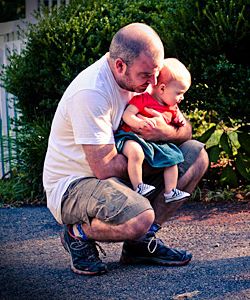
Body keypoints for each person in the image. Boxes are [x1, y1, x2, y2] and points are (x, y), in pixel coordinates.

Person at [42, 23, 209, 276]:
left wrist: (167, 134)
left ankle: (139, 245)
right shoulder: (92, 92)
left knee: (196, 155)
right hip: (75, 184)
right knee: (140, 218)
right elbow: (104, 168)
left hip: (123, 168)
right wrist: (158, 155)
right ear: (120, 65)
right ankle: (77, 233)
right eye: (146, 76)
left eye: (156, 74)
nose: (154, 82)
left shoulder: (144, 78)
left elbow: (185, 129)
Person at [115, 58, 192, 204]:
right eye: (179, 93)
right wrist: (140, 122)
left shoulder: (172, 107)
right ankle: (138, 186)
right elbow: (127, 114)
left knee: (172, 158)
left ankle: (170, 191)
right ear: (162, 89)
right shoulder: (143, 99)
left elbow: (179, 121)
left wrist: (180, 121)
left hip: (154, 143)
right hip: (131, 137)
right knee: (136, 153)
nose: (182, 98)